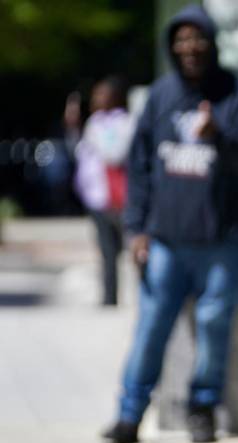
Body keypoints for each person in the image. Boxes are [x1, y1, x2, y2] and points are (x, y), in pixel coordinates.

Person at [101, 4, 238, 443]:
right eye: (181, 40)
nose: (190, 47)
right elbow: (139, 169)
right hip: (166, 242)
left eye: (198, 39)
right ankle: (129, 414)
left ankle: (203, 409)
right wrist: (136, 229)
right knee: (151, 328)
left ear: (212, 43)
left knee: (214, 329)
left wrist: (219, 137)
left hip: (221, 242)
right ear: (172, 46)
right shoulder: (160, 96)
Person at [73, 76, 134, 306]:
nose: (98, 99)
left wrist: (97, 136)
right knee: (106, 251)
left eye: (102, 94)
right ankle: (109, 297)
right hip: (98, 198)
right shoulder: (94, 123)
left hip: (119, 197)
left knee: (127, 248)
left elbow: (114, 154)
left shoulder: (124, 122)